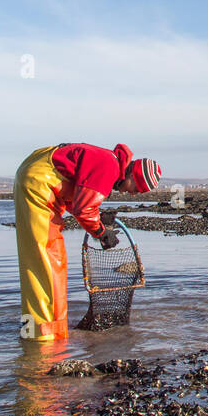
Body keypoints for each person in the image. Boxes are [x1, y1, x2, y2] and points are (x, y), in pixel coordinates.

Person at [13, 143, 161, 342]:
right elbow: (84, 209)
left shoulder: (108, 161)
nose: (132, 194)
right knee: (46, 263)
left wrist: (99, 219)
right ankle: (44, 338)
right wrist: (101, 232)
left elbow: (76, 200)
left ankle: (39, 330)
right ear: (132, 175)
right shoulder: (108, 166)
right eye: (136, 188)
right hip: (38, 184)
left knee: (44, 260)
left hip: (35, 175)